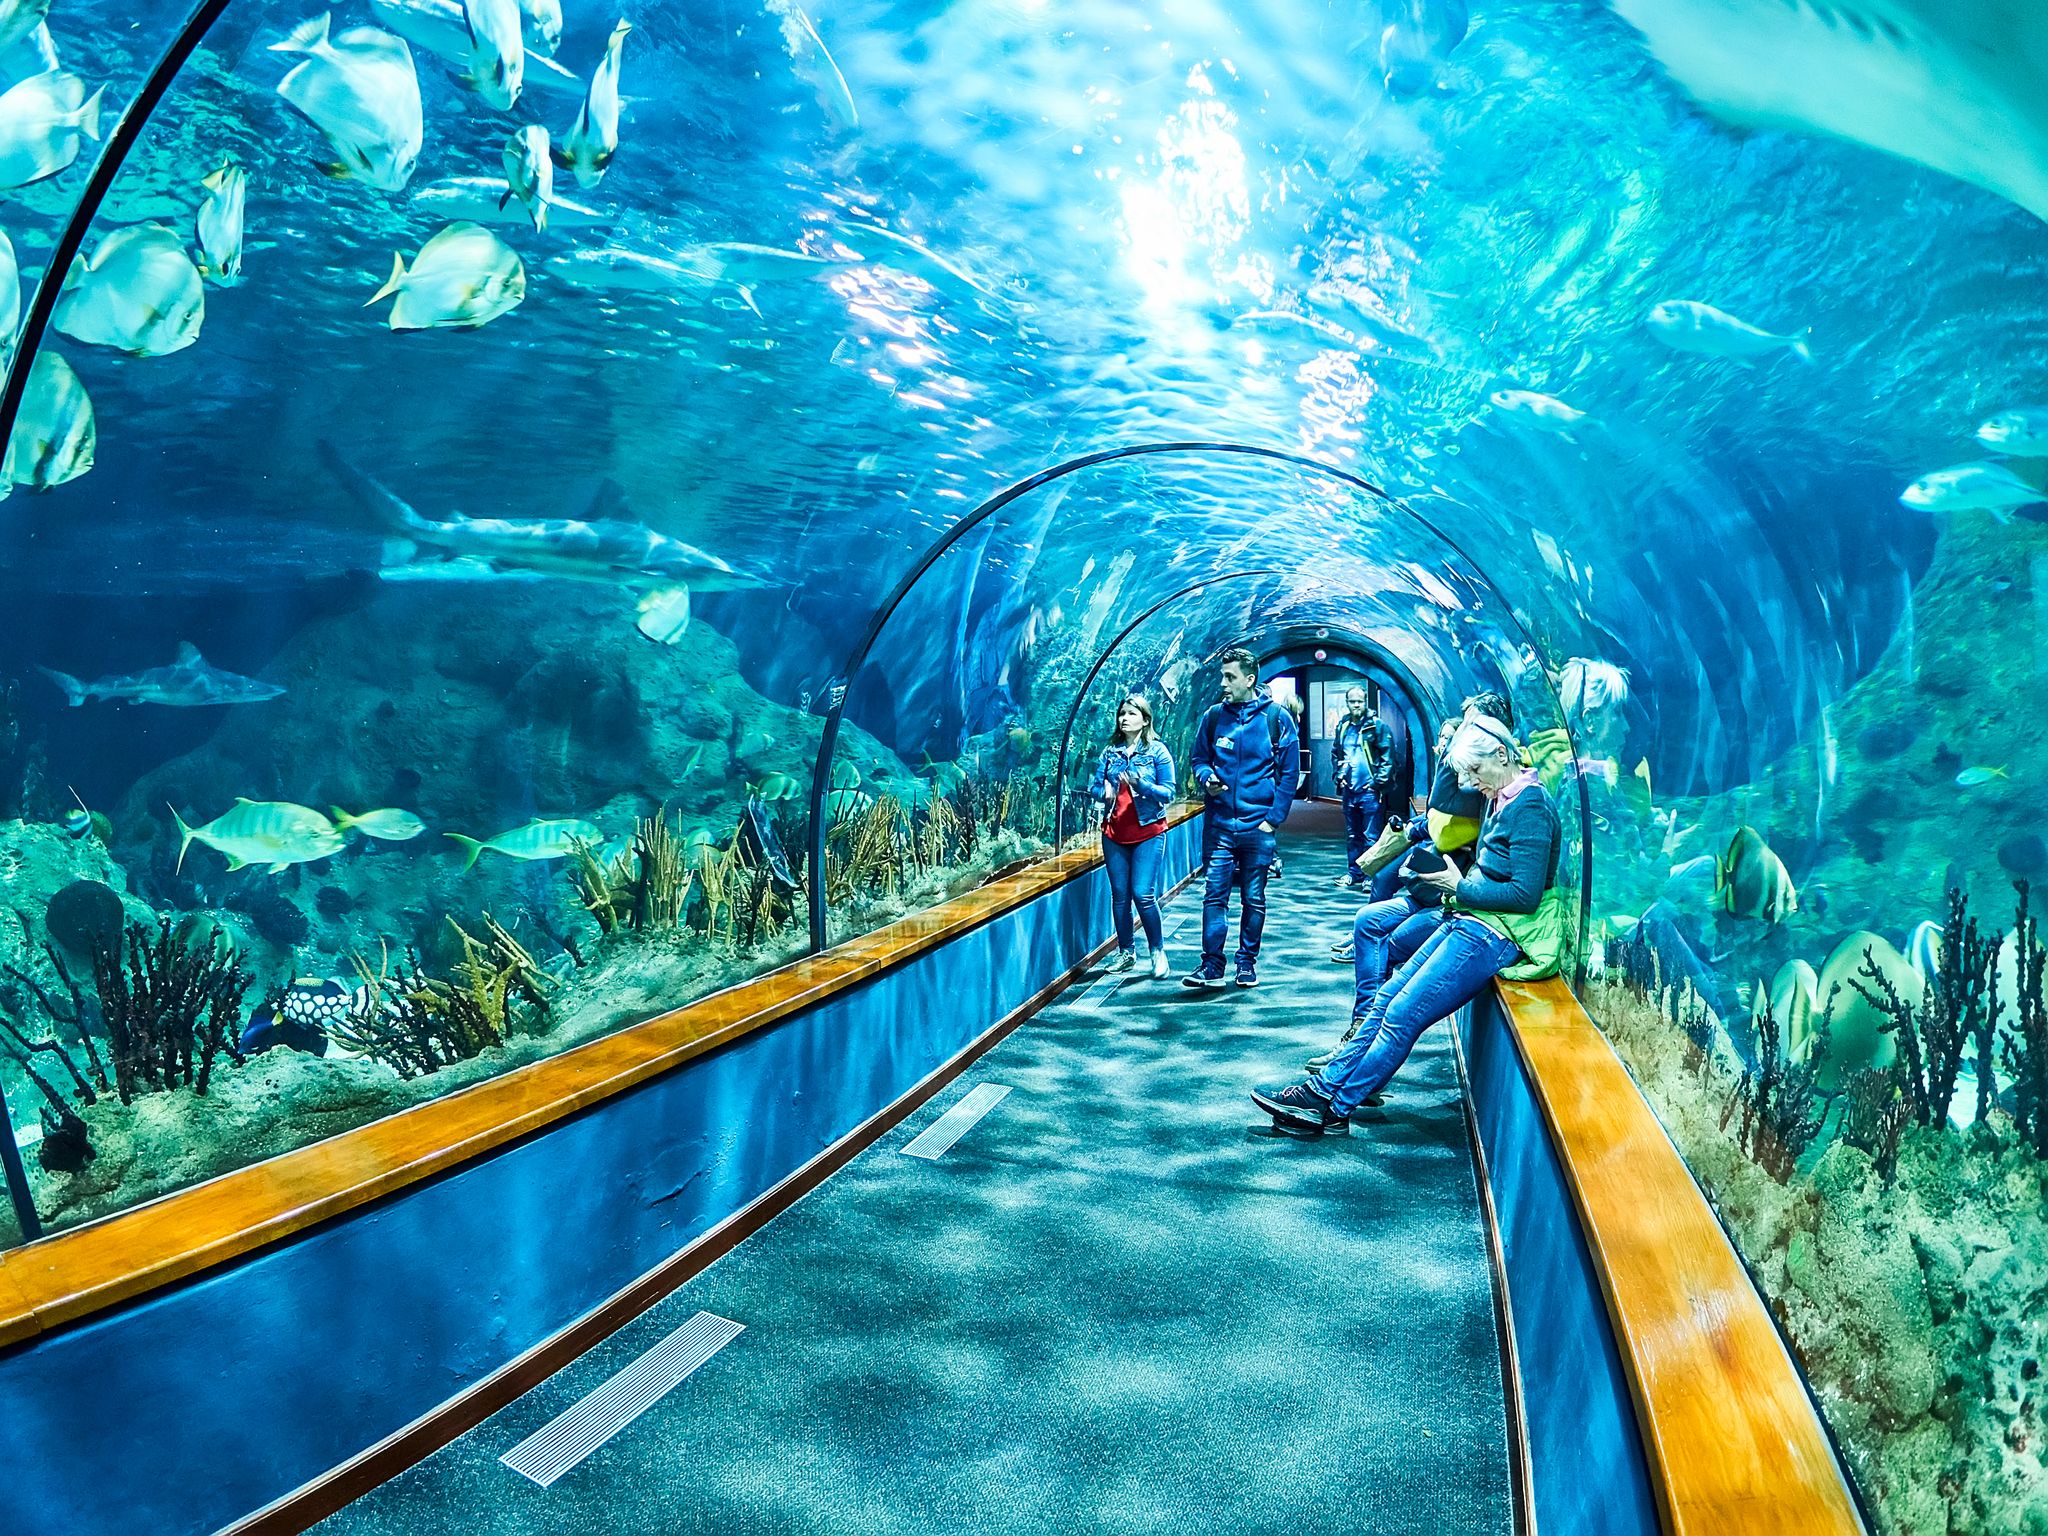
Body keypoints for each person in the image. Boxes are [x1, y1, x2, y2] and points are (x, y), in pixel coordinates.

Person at [1254, 711, 1561, 1135]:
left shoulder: (1530, 805)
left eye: (1475, 771)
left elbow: (1524, 896)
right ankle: (1322, 1091)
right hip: (1470, 918)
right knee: (1384, 1001)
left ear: (1504, 754)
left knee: (1401, 1015)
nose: (1471, 783)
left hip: (1493, 934)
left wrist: (1458, 885)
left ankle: (1334, 1106)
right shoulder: (1502, 794)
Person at [1184, 648, 1299, 990]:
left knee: (1254, 898)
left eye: (1230, 677)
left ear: (1249, 680)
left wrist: (1273, 820)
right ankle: (1211, 964)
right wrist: (1207, 779)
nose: (1223, 683)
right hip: (1219, 825)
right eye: (1222, 676)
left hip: (1257, 826)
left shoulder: (1276, 718)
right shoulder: (1214, 716)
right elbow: (1198, 759)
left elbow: (1290, 773)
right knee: (1213, 895)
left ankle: (1246, 963)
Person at [1091, 695, 1177, 979]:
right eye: (1121, 714)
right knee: (1120, 896)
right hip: (1114, 832)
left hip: (1148, 831)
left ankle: (1157, 951)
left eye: (1131, 713)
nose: (1124, 718)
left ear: (1145, 719)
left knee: (1143, 893)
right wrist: (1103, 793)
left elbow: (1169, 792)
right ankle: (1126, 953)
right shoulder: (1109, 754)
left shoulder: (1157, 752)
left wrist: (1144, 785)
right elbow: (1094, 787)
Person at [1330, 686, 1394, 889]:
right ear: (1347, 703)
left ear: (1366, 702)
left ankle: (1370, 876)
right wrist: (1338, 776)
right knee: (1352, 835)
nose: (1356, 705)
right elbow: (1336, 754)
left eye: (1359, 701)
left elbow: (1388, 758)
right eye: (1352, 701)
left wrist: (1376, 783)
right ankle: (1354, 872)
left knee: (1371, 836)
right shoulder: (1343, 726)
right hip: (1349, 791)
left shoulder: (1377, 726)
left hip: (1369, 792)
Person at [1269, 690, 1308, 883]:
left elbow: (1290, 771)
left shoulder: (1281, 720)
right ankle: (1271, 856)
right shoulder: (1282, 720)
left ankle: (1271, 856)